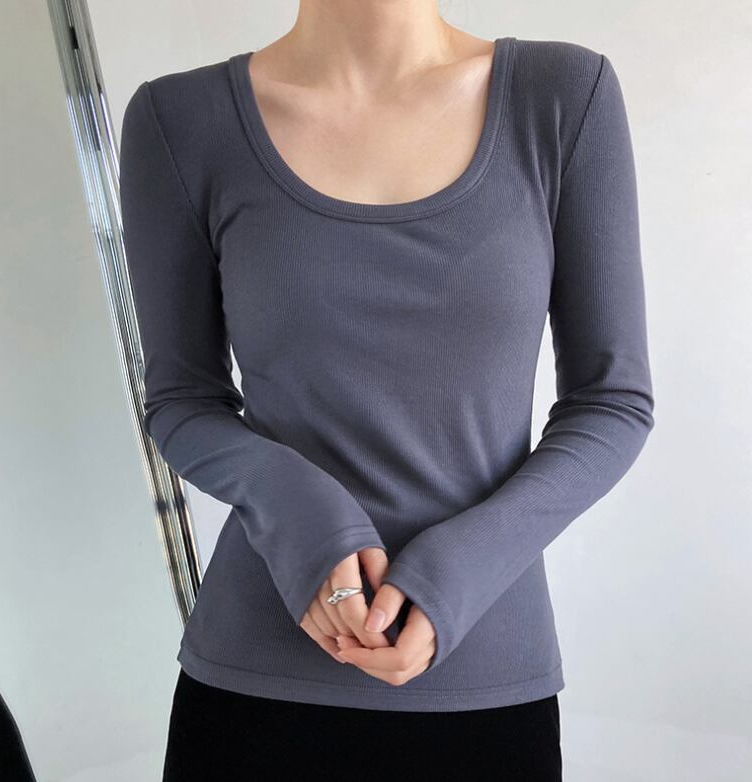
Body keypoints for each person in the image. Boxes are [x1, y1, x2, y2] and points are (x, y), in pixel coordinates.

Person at [119, 2, 654, 779]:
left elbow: (612, 403)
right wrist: (301, 512)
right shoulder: (178, 120)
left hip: (484, 688)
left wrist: (458, 570)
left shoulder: (564, 95)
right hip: (255, 690)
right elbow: (181, 399)